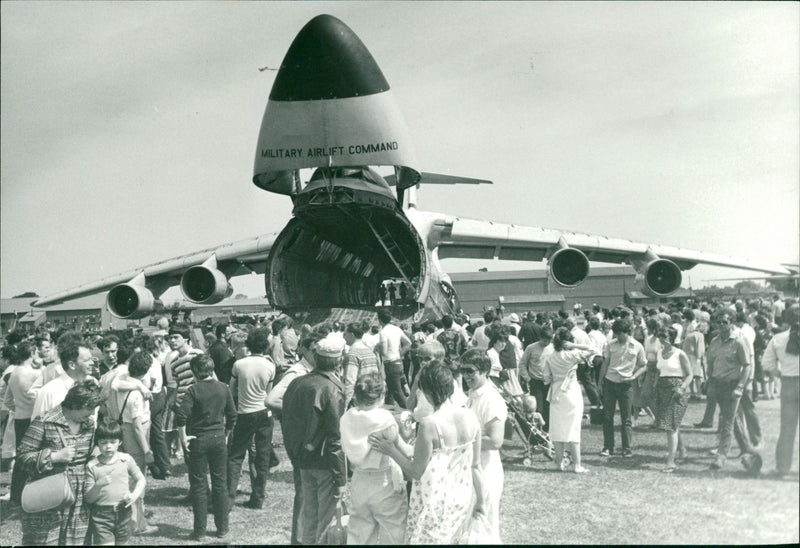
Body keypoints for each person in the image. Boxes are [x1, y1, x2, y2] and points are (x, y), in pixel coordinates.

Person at [371, 361, 485, 544]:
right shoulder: (471, 416)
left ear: (427, 391)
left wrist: (391, 450)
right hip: (462, 496)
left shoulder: (430, 424)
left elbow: (416, 471)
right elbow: (476, 466)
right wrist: (481, 501)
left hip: (435, 499)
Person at [17, 380, 103, 545]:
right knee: (44, 540)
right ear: (76, 404)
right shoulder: (45, 420)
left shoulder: (89, 424)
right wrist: (54, 457)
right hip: (50, 494)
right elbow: (22, 457)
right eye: (89, 408)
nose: (92, 413)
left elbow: (88, 455)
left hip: (79, 499)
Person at [282, 337, 347, 545]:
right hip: (324, 463)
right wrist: (340, 478)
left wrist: (296, 455)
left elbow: (287, 423)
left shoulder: (297, 383)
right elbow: (335, 436)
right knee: (326, 519)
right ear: (338, 362)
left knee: (310, 516)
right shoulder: (331, 389)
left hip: (303, 460)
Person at [174, 354, 237, 541]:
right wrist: (225, 435)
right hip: (218, 438)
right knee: (220, 484)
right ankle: (222, 528)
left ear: (194, 371)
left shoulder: (193, 390)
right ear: (212, 369)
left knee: (199, 486)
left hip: (199, 440)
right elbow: (232, 415)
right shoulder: (223, 388)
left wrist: (183, 436)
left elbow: (181, 416)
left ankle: (200, 531)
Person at [340, 373, 408, 544]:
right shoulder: (384, 418)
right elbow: (404, 450)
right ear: (382, 395)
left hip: (359, 480)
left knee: (359, 534)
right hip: (384, 480)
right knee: (394, 532)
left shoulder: (347, 417)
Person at [458, 349, 505, 540]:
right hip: (471, 468)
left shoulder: (492, 399)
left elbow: (495, 441)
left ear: (485, 371)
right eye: (462, 371)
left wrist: (462, 440)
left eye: (470, 371)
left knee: (485, 525)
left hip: (486, 470)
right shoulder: (472, 394)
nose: (465, 376)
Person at [227, 328, 276, 509]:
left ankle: (228, 498)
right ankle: (258, 497)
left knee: (236, 456)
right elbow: (269, 394)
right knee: (262, 456)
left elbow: (232, 390)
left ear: (248, 345)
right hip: (263, 412)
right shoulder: (270, 366)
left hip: (244, 412)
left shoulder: (239, 365)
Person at [84, 420, 146, 545]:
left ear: (120, 442)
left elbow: (141, 479)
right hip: (101, 515)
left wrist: (134, 495)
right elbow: (89, 498)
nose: (108, 446)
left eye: (113, 442)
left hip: (124, 512)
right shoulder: (92, 465)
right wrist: (98, 485)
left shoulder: (126, 459)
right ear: (97, 443)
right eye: (103, 442)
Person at [705, 310, 753, 471]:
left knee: (726, 421)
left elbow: (747, 366)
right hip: (717, 385)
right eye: (719, 322)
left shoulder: (739, 342)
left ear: (731, 323)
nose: (721, 325)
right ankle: (748, 450)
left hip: (732, 387)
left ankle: (721, 456)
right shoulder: (714, 341)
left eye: (725, 322)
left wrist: (740, 387)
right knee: (733, 419)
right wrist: (709, 381)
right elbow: (710, 362)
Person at [542, 328, 594, 473]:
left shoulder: (550, 357)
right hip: (571, 393)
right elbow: (592, 349)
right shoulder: (572, 355)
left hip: (556, 394)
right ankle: (577, 465)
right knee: (574, 428)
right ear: (568, 341)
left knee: (557, 428)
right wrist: (574, 346)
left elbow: (546, 379)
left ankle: (559, 463)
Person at [599, 318, 647, 457]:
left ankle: (626, 448)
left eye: (620, 334)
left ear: (627, 332)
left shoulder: (637, 346)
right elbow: (605, 363)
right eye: (615, 334)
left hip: (626, 385)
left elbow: (644, 365)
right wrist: (599, 383)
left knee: (626, 419)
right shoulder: (610, 344)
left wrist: (633, 376)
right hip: (609, 383)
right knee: (608, 417)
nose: (617, 337)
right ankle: (608, 447)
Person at [761, 304, 799, 477]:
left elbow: (767, 363)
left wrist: (780, 374)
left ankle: (782, 468)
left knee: (787, 427)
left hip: (789, 383)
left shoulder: (778, 338)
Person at [3, 341, 41, 503]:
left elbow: (7, 400)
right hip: (33, 418)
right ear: (32, 353)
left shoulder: (13, 374)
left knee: (20, 457)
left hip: (19, 418)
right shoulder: (36, 374)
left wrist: (17, 407)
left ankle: (16, 494)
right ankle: (35, 491)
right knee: (37, 455)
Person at [653, 327, 693, 472]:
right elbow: (659, 372)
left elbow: (690, 375)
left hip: (677, 391)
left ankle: (670, 462)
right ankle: (682, 450)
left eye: (664, 336)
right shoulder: (659, 353)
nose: (661, 338)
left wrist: (681, 388)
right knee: (672, 424)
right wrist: (655, 386)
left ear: (672, 337)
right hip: (662, 390)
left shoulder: (679, 353)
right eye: (660, 335)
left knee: (670, 426)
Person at [519, 326, 553, 430]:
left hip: (549, 382)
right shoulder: (531, 348)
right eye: (543, 340)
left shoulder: (553, 348)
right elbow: (522, 364)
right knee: (538, 408)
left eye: (548, 341)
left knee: (548, 408)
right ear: (540, 337)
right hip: (535, 381)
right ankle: (536, 432)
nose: (545, 343)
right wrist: (528, 378)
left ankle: (547, 433)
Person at [342, 322, 383, 408]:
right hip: (371, 397)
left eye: (345, 334)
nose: (343, 337)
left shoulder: (352, 354)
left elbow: (350, 381)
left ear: (352, 335)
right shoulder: (370, 352)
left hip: (358, 400)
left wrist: (345, 404)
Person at [377, 309, 412, 409]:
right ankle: (392, 408)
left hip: (390, 364)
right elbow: (408, 343)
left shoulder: (383, 332)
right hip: (398, 361)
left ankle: (408, 410)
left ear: (379, 320)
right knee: (395, 389)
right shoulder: (396, 329)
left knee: (397, 392)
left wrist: (377, 347)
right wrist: (399, 354)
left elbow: (383, 352)